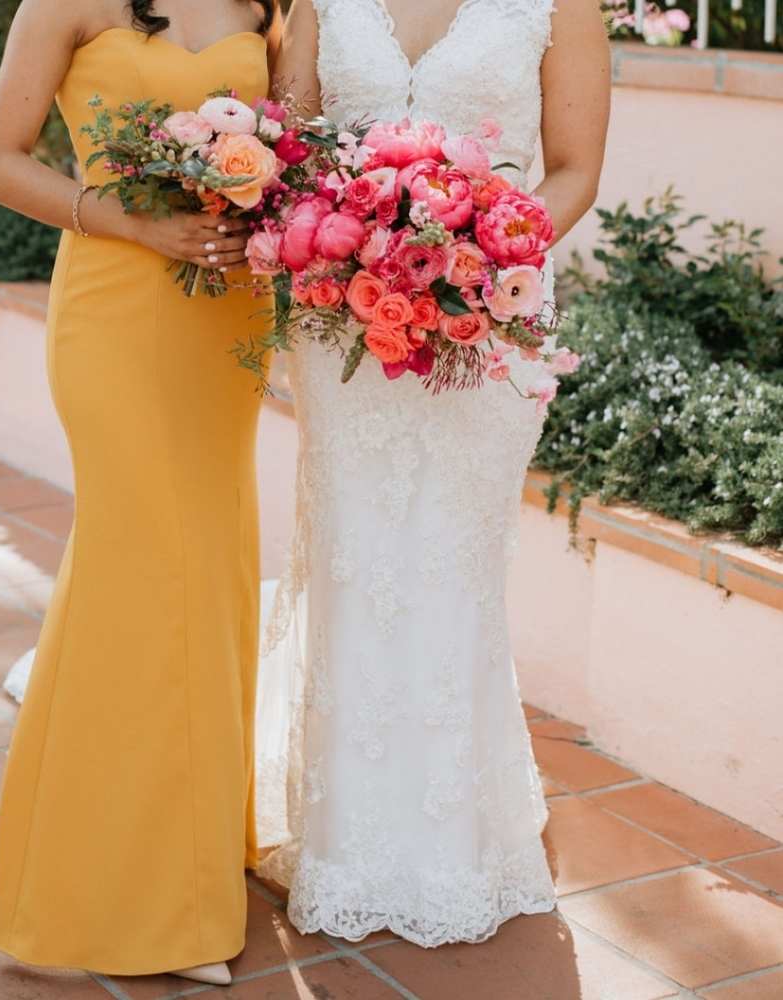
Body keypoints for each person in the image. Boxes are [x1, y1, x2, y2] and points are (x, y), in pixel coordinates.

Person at [255, 0, 610, 947]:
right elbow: (291, 152)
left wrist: (486, 253)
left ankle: (456, 846)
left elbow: (572, 167)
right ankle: (346, 845)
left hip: (487, 321)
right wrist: (339, 234)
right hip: (344, 325)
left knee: (450, 569)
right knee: (356, 558)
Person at [0, 0, 280, 985]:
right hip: (113, 298)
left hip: (223, 311)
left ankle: (186, 851)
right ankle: (133, 901)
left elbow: (299, 147)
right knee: (141, 577)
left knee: (212, 571)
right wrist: (139, 223)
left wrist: (266, 214)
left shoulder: (266, 5)